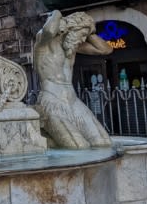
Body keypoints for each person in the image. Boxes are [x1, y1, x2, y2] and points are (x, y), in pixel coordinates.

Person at [34, 10, 112, 149]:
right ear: (70, 29)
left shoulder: (74, 45)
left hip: (73, 102)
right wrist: (57, 14)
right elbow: (50, 30)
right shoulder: (44, 41)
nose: (83, 40)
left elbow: (105, 50)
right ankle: (43, 137)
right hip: (52, 101)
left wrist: (89, 29)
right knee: (78, 146)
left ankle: (50, 137)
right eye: (82, 35)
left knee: (103, 142)